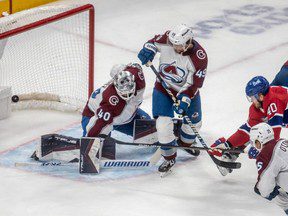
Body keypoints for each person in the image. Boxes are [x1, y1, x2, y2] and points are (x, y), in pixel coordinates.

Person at [137, 24, 208, 173]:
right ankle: (169, 157)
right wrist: (148, 50)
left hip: (187, 91)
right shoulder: (168, 39)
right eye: (174, 44)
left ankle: (185, 143)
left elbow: (193, 84)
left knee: (194, 125)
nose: (176, 48)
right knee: (162, 125)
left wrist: (184, 99)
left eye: (180, 45)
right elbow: (152, 43)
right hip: (163, 87)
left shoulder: (199, 57)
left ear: (189, 42)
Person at [209, 60, 288, 176]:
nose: (251, 100)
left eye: (253, 97)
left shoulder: (274, 102)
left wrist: (258, 147)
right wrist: (227, 144)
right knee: (260, 131)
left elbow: (273, 135)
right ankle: (231, 154)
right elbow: (248, 130)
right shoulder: (257, 106)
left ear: (260, 96)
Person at [82, 63, 150, 157]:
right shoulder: (110, 102)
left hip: (122, 116)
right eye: (123, 93)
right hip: (94, 115)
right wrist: (88, 144)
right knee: (99, 151)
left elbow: (132, 67)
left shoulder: (138, 77)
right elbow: (97, 125)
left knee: (148, 128)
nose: (127, 96)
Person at [249, 123, 288, 215]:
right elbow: (276, 159)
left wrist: (259, 189)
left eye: (254, 142)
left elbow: (265, 188)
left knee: (266, 189)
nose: (254, 145)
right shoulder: (282, 141)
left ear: (259, 139)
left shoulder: (266, 154)